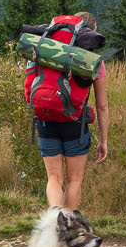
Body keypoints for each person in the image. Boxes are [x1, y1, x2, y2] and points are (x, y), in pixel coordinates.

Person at [19, 13, 110, 211]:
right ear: (89, 32)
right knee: (75, 179)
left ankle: (54, 217)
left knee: (54, 178)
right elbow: (102, 105)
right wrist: (103, 141)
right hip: (74, 122)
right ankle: (66, 228)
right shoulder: (91, 60)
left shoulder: (43, 49)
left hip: (44, 118)